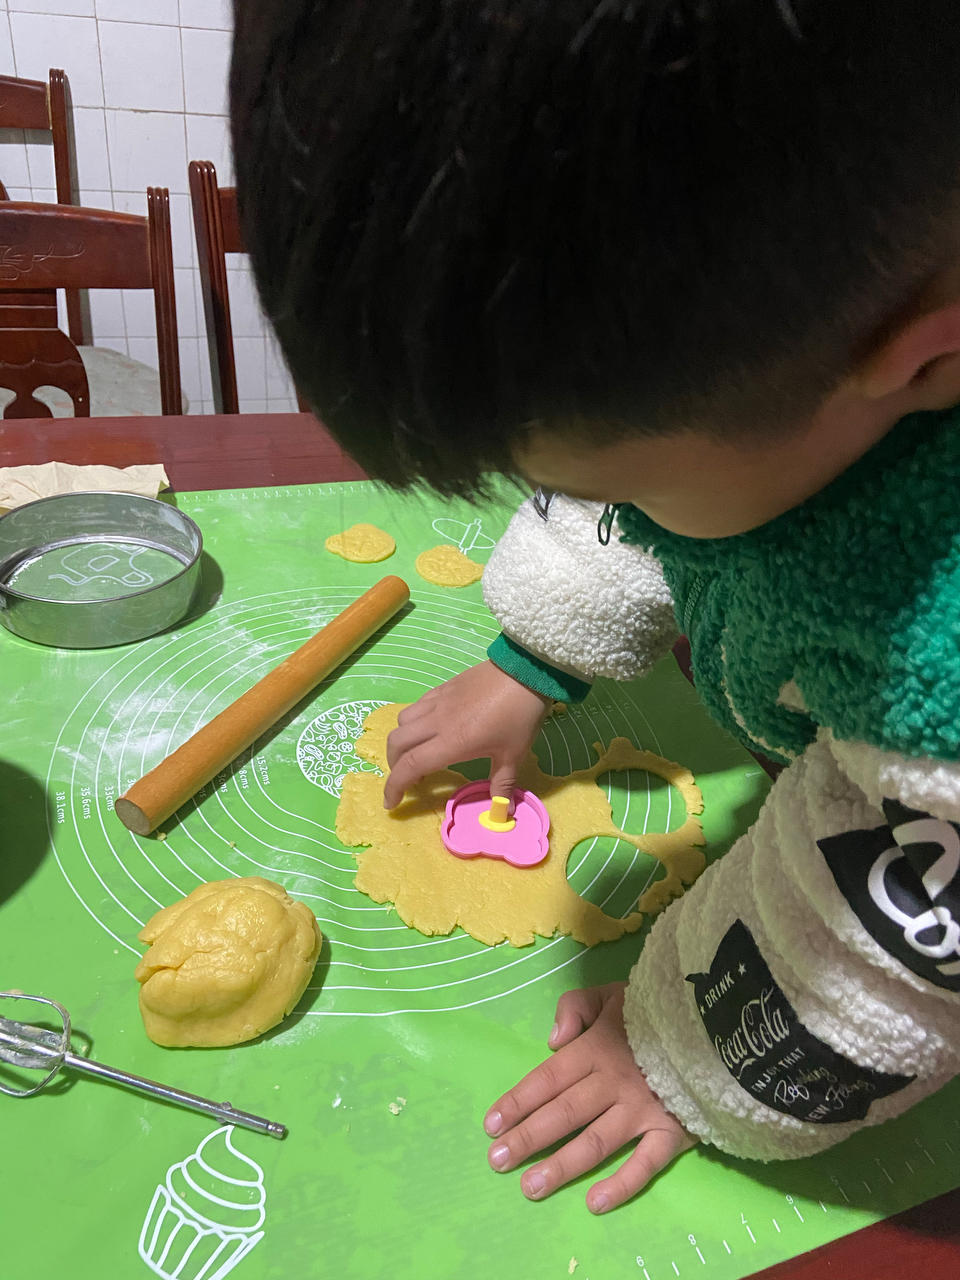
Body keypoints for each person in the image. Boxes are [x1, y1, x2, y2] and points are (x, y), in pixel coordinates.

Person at [231, 0, 960, 1212]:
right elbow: (678, 461)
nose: (580, 505)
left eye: (589, 487)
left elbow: (897, 949)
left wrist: (687, 1051)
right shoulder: (812, 332)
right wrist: (539, 652)